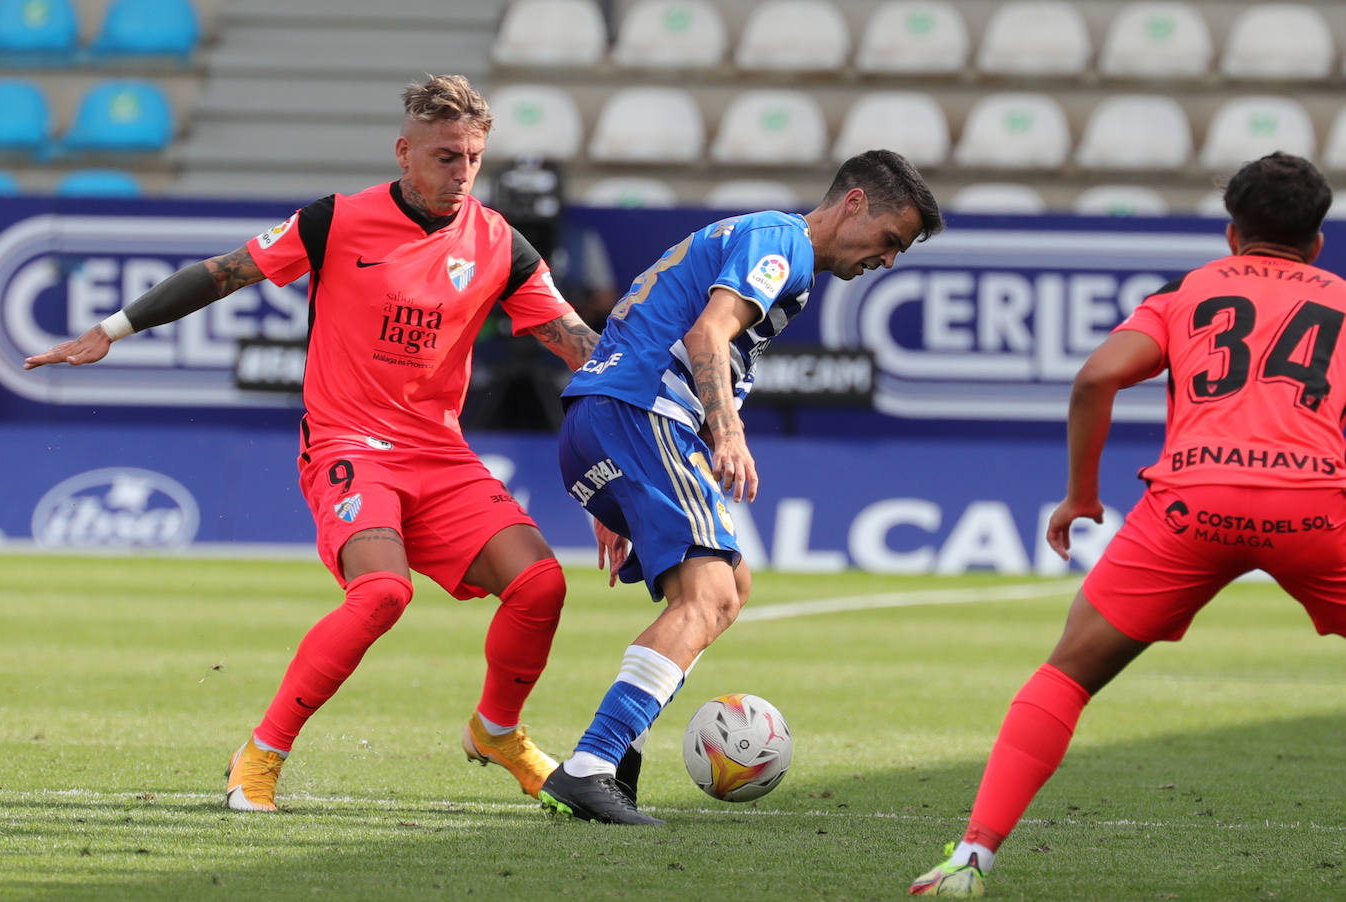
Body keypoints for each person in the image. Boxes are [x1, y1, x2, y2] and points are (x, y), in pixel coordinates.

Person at [23, 74, 601, 812]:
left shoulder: (500, 245)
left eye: (473, 158)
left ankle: (497, 732)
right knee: (383, 593)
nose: (461, 173)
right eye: (445, 156)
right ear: (405, 153)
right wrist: (111, 331)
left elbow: (579, 345)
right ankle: (259, 756)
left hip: (440, 454)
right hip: (348, 443)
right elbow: (223, 273)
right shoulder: (337, 220)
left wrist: (665, 381)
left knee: (541, 585)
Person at [908, 151, 1346, 896]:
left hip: (1189, 504)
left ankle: (971, 858)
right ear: (1317, 242)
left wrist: (1081, 494)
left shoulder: (1190, 292)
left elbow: (1096, 377)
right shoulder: (1340, 298)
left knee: (1067, 675)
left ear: (1232, 234)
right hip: (1313, 506)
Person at [539, 150, 945, 824]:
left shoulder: (767, 246)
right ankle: (591, 763)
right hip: (643, 414)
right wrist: (726, 433)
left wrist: (618, 488)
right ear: (852, 203)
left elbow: (643, 325)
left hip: (607, 418)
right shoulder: (779, 243)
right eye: (890, 239)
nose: (888, 260)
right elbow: (708, 334)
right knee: (710, 593)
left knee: (732, 584)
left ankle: (620, 760)